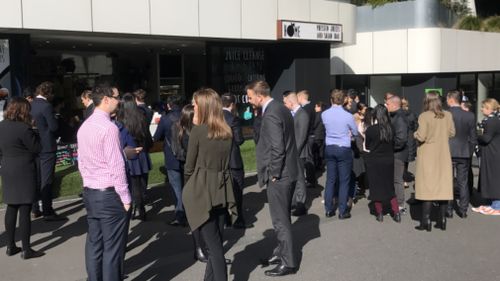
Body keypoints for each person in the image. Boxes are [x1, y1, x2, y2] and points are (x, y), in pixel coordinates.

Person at [77, 85, 131, 281]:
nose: (119, 101)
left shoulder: (85, 126)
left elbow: (81, 162)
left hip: (91, 191)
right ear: (106, 100)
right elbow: (116, 166)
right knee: (112, 249)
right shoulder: (109, 128)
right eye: (115, 98)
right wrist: (125, 197)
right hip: (108, 193)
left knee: (94, 242)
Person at [182, 88, 237, 281]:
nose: (193, 107)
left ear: (204, 107)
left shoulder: (198, 131)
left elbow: (189, 167)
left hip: (202, 190)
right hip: (222, 189)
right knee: (216, 243)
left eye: (195, 104)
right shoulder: (226, 131)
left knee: (214, 248)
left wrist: (188, 189)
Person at [247, 80, 298, 277]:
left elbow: (277, 147)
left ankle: (288, 262)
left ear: (259, 96)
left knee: (280, 221)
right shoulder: (281, 107)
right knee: (283, 217)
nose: (250, 101)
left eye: (250, 97)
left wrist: (274, 173)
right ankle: (281, 252)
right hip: (289, 172)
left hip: (280, 175)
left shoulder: (271, 113)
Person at [0, 97, 45, 259]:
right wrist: (35, 130)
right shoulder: (24, 129)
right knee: (25, 210)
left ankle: (10, 246)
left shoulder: (1, 126)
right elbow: (37, 148)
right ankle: (26, 249)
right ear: (23, 110)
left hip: (7, 168)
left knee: (11, 207)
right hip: (24, 170)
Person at [414, 92, 455, 231]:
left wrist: (414, 134)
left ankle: (426, 221)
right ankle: (441, 220)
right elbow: (452, 133)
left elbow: (421, 136)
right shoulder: (448, 115)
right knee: (443, 187)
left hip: (428, 154)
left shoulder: (424, 116)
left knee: (427, 188)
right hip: (443, 154)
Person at [30, 81, 64, 221]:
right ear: (48, 93)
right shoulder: (46, 106)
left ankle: (35, 208)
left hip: (34, 145)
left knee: (36, 178)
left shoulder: (30, 105)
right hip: (47, 146)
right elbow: (54, 127)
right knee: (47, 180)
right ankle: (48, 211)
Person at [322, 89, 358, 219]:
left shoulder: (324, 114)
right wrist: (350, 134)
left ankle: (328, 209)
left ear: (331, 99)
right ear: (343, 101)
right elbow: (355, 132)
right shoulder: (348, 116)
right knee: (344, 180)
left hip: (330, 147)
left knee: (330, 179)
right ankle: (342, 211)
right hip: (343, 148)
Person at [116, 93, 152, 221]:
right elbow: (147, 136)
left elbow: (121, 141)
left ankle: (135, 209)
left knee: (133, 185)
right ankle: (140, 208)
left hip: (130, 154)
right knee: (141, 183)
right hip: (141, 153)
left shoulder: (121, 120)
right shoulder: (141, 117)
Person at [153, 94, 187, 226]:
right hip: (186, 154)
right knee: (186, 185)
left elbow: (156, 137)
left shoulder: (165, 120)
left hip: (171, 156)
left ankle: (180, 214)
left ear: (169, 105)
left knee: (176, 187)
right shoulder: (187, 116)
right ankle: (188, 212)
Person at [221, 93, 253, 228]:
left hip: (220, 160)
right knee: (237, 190)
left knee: (222, 191)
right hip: (233, 160)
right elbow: (239, 140)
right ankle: (238, 219)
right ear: (233, 104)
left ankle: (225, 219)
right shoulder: (233, 119)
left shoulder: (214, 118)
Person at [364, 105, 401, 223]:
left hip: (374, 161)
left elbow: (368, 146)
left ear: (375, 115)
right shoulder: (392, 128)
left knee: (375, 186)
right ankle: (396, 212)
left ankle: (379, 213)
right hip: (389, 160)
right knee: (389, 186)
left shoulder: (371, 130)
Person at [446, 90, 477, 218]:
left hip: (448, 151)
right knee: (462, 182)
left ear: (451, 99)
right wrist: (469, 152)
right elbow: (473, 137)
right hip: (463, 152)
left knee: (448, 181)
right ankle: (463, 209)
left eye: (447, 99)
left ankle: (448, 208)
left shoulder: (445, 114)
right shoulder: (470, 116)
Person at [283, 91, 310, 216]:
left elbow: (302, 137)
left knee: (299, 179)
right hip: (293, 152)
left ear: (291, 102)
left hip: (299, 153)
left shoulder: (302, 114)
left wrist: (294, 152)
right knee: (294, 178)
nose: (284, 104)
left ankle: (301, 204)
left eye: (285, 102)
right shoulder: (293, 114)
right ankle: (294, 202)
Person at [472, 98, 500, 215]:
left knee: (493, 178)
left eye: (483, 107)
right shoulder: (494, 119)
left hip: (492, 153)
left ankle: (496, 206)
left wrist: (477, 135)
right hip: (494, 152)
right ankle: (490, 204)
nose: (481, 109)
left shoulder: (491, 121)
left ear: (489, 108)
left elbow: (487, 138)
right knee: (491, 177)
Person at [385, 94, 409, 215]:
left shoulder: (399, 118)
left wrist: (391, 148)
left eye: (387, 104)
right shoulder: (395, 116)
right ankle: (397, 203)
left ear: (394, 105)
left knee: (397, 179)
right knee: (394, 179)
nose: (386, 106)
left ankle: (400, 205)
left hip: (398, 154)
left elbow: (401, 139)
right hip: (396, 152)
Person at [297, 90, 316, 187]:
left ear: (301, 97)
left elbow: (305, 125)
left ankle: (310, 180)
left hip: (308, 136)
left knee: (308, 159)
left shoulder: (306, 109)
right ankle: (310, 179)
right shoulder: (311, 107)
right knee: (309, 158)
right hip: (311, 135)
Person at [401, 97, 418, 187]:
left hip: (400, 137)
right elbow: (416, 126)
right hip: (410, 138)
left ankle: (402, 178)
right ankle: (404, 177)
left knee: (400, 159)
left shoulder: (398, 114)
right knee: (406, 159)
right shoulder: (412, 114)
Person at [312, 102, 325, 169]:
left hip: (317, 135)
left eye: (316, 106)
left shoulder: (318, 114)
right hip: (322, 135)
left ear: (319, 107)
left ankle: (316, 165)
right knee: (320, 151)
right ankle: (320, 164)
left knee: (315, 151)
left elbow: (314, 124)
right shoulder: (324, 114)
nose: (315, 108)